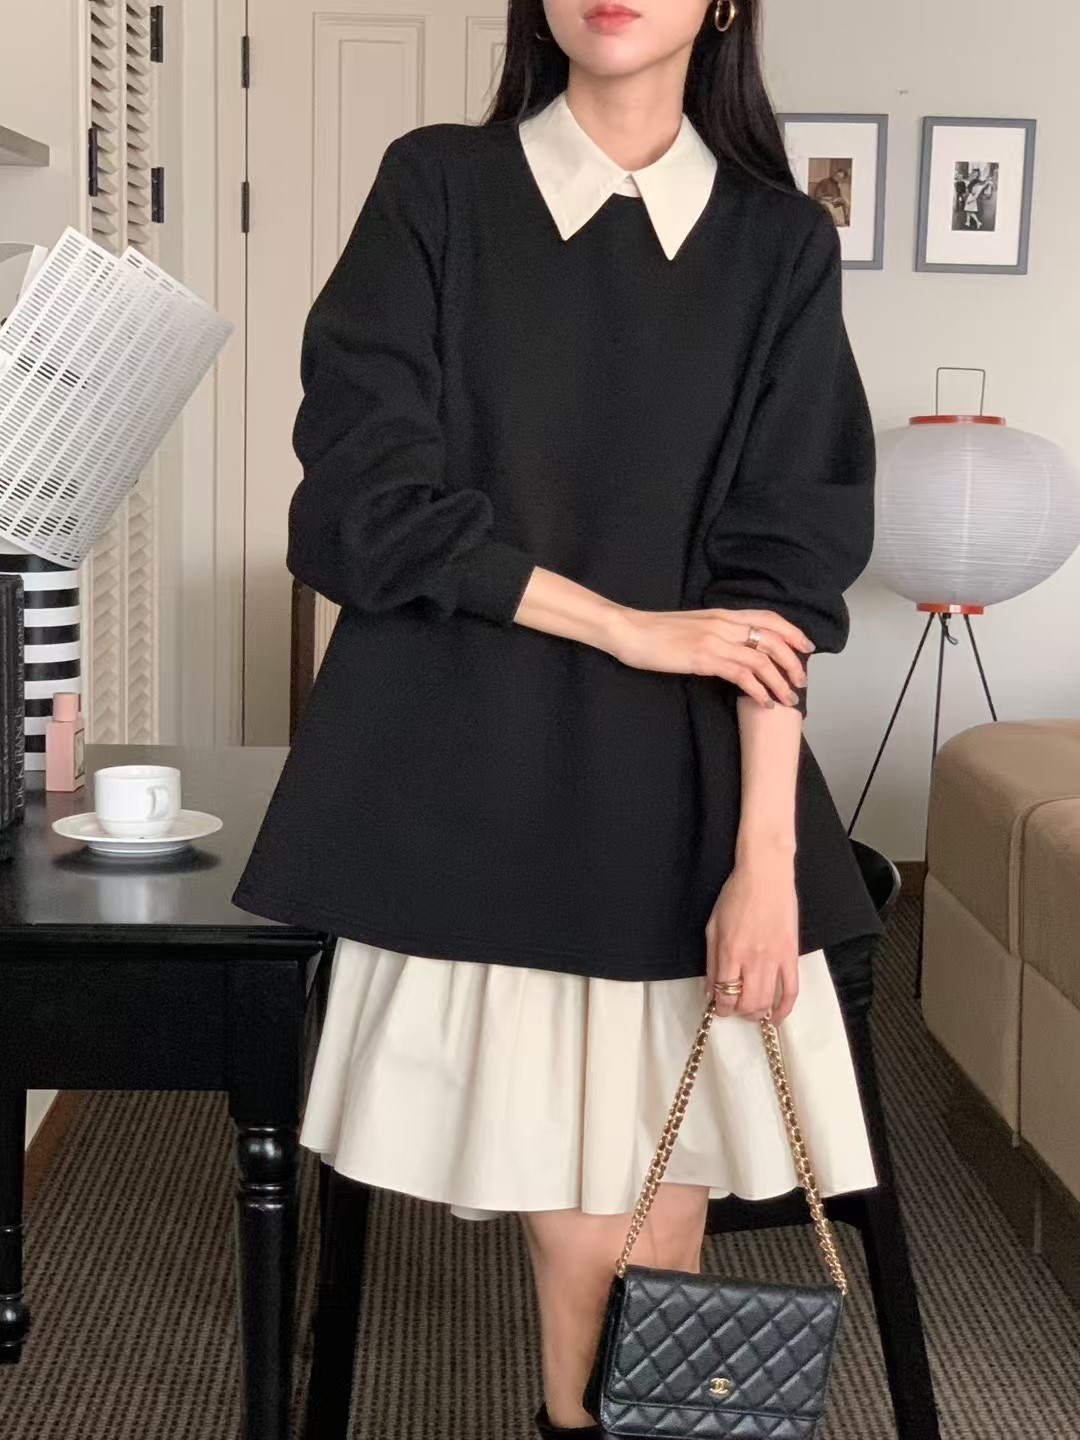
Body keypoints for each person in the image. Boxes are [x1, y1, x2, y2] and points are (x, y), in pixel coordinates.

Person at [232, 1, 885, 1434]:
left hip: (684, 793)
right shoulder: (439, 188)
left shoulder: (778, 243)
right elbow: (361, 505)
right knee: (604, 1247)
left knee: (650, 1239)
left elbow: (779, 581)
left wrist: (767, 860)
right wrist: (628, 624)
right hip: (471, 773)